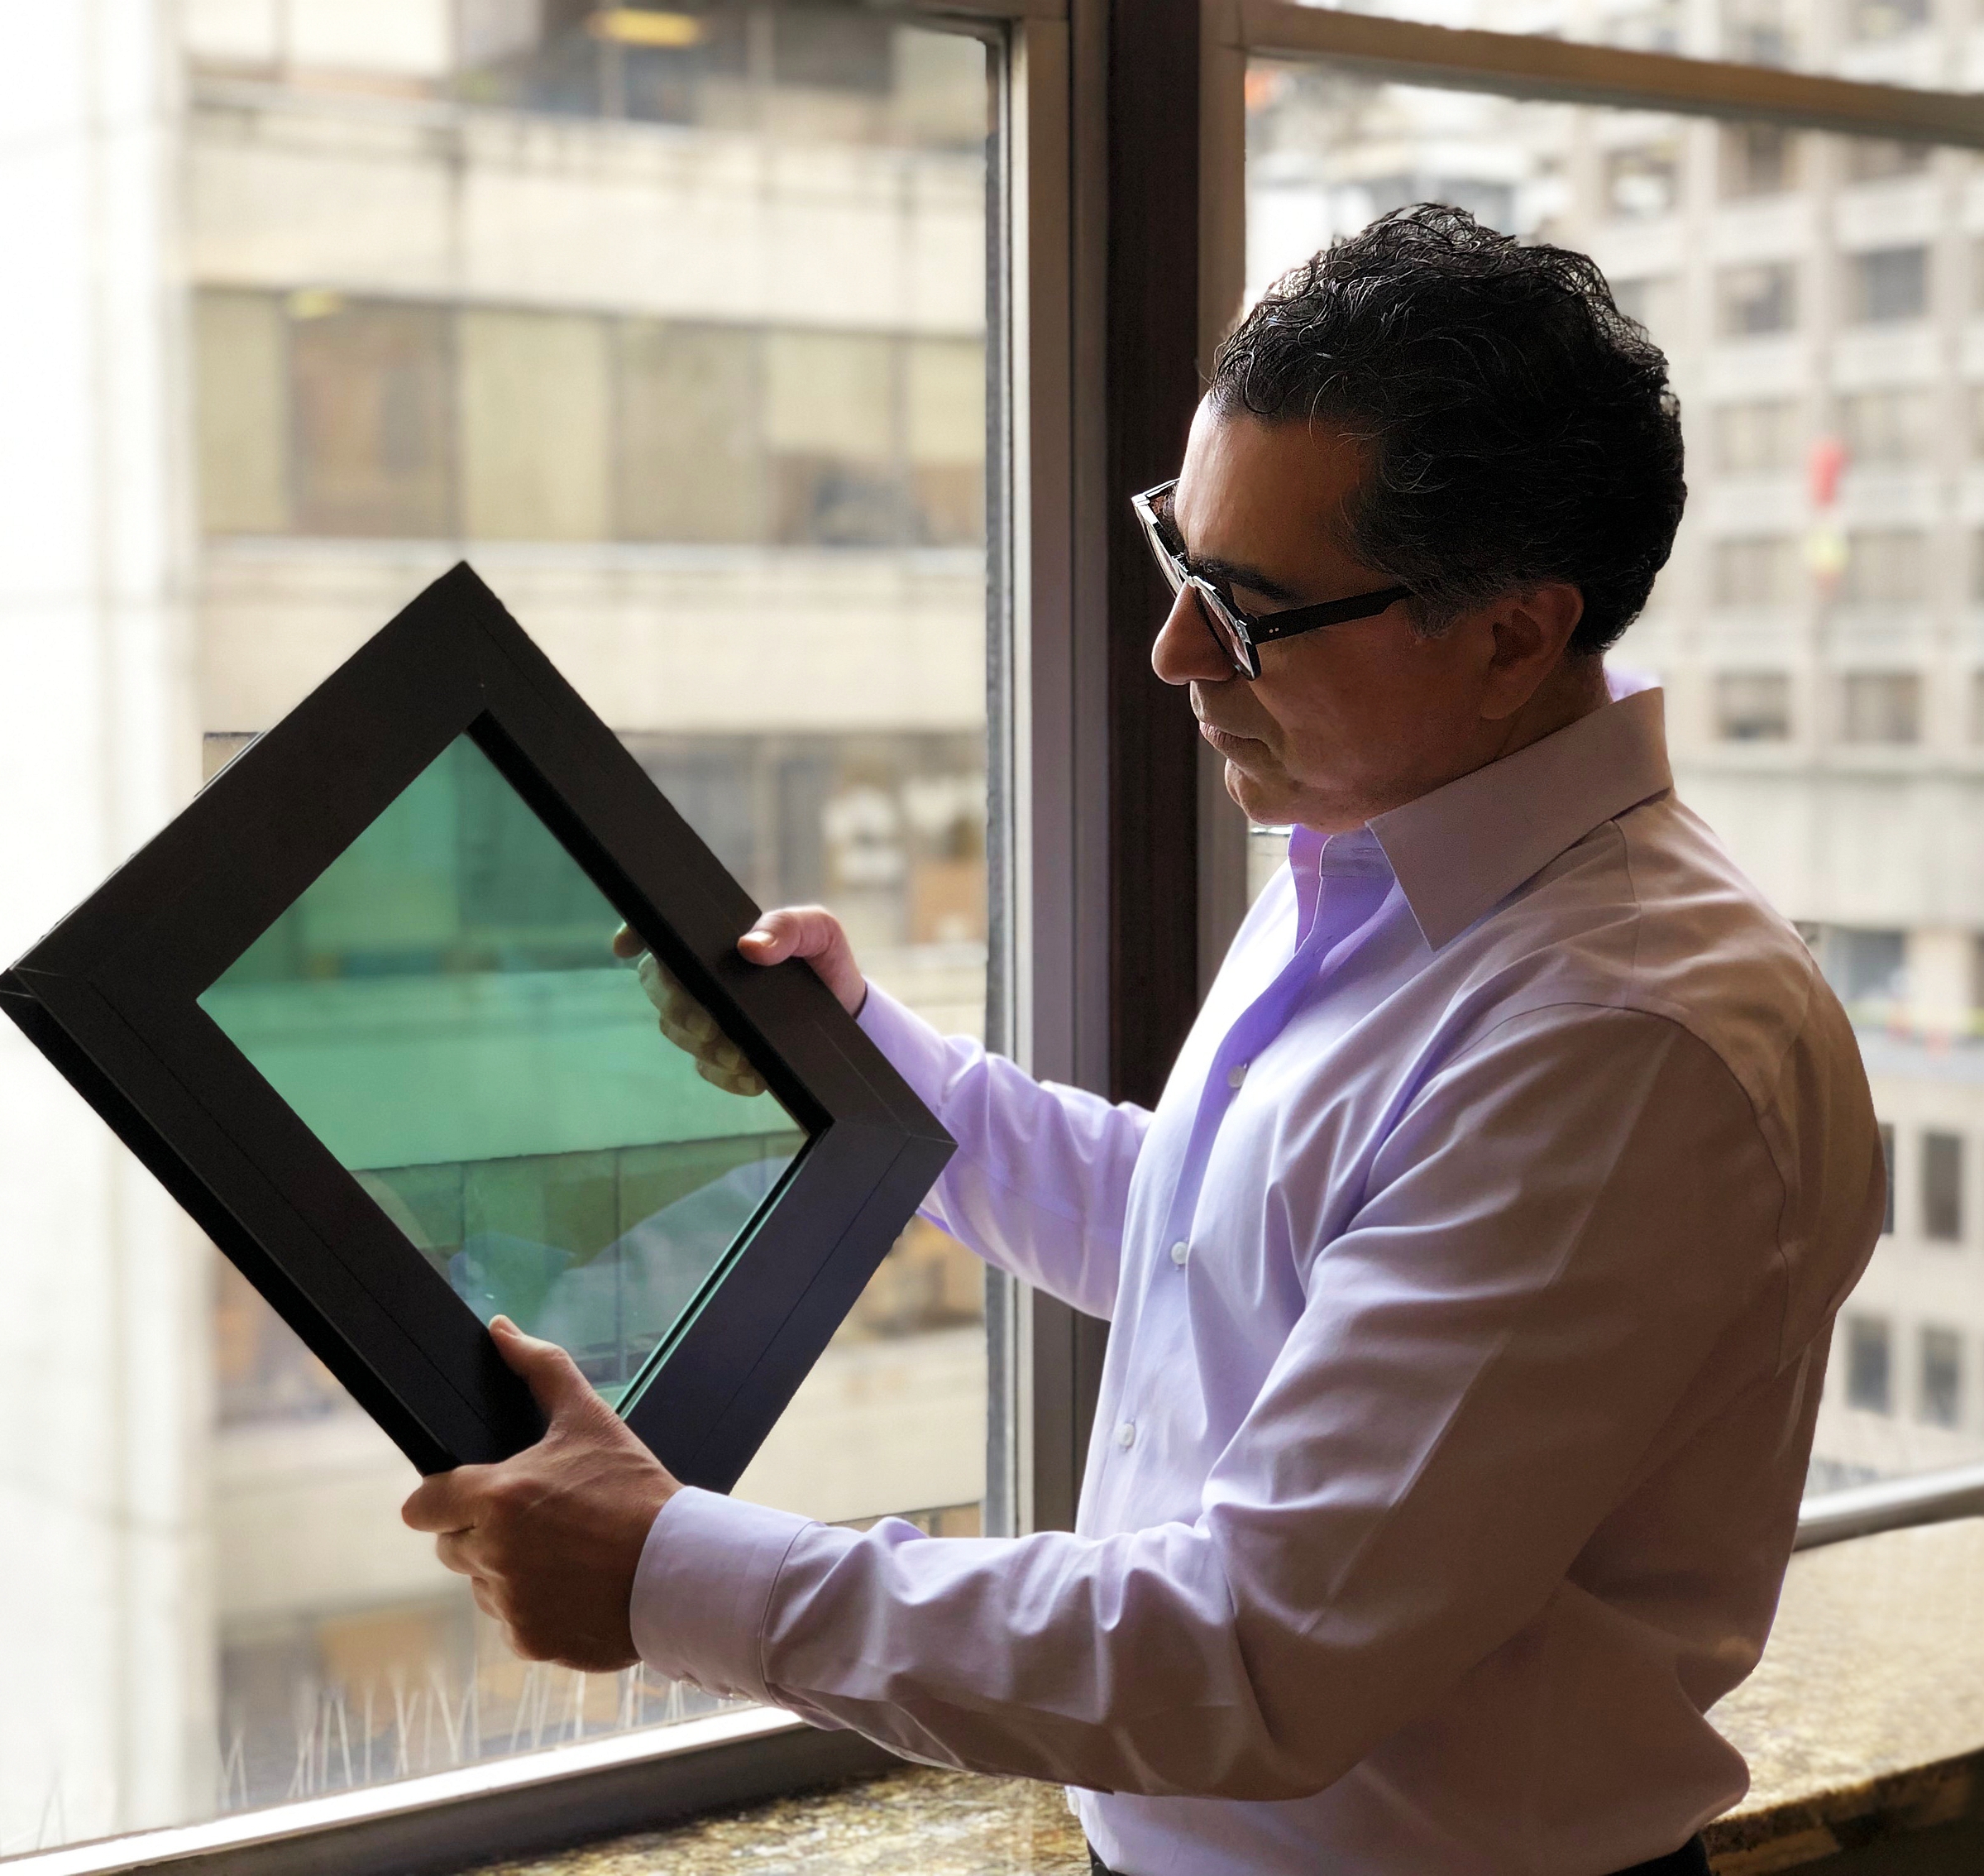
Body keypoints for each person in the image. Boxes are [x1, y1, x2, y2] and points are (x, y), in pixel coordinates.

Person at [402, 205, 1883, 1876]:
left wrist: (667, 1571)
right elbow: (1217, 1246)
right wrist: (871, 1068)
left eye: (1249, 607)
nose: (1173, 649)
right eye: (1182, 557)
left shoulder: (1624, 1042)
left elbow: (1252, 1654)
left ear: (1511, 635)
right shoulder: (1383, 854)